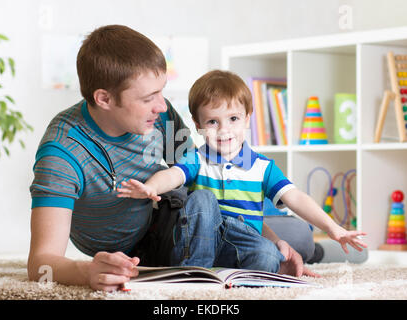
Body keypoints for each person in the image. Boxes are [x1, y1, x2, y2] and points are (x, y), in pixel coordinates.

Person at [27, 25, 314, 292]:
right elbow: (40, 265)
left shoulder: (161, 116)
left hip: (178, 219)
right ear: (104, 99)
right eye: (148, 97)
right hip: (132, 248)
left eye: (161, 91)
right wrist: (86, 271)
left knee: (297, 236)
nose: (162, 105)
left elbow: (205, 186)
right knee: (285, 238)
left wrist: (273, 241)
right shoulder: (62, 151)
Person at [117, 70, 367, 272]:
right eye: (213, 122)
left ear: (248, 118)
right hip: (201, 237)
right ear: (198, 125)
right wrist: (150, 187)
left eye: (233, 119)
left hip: (241, 239)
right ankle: (195, 272)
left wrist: (334, 228)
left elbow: (296, 198)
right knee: (202, 198)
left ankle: (232, 273)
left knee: (269, 256)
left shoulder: (262, 167)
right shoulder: (197, 158)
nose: (224, 130)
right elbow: (173, 175)